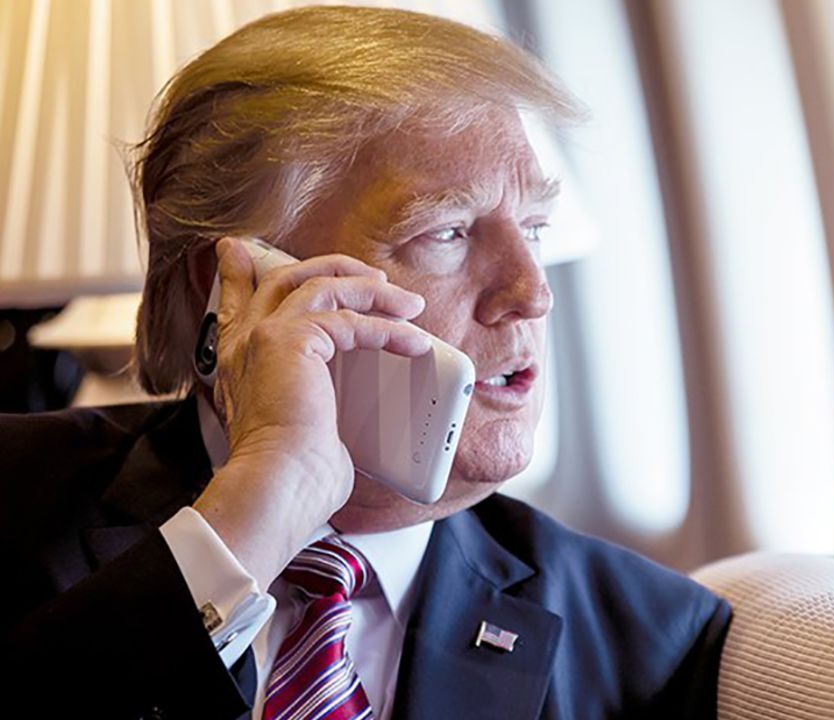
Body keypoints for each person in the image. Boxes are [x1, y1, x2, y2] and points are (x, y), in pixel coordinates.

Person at [0, 7, 730, 719]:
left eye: (535, 227)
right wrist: (261, 508)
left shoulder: (652, 639)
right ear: (233, 286)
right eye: (445, 232)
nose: (531, 293)